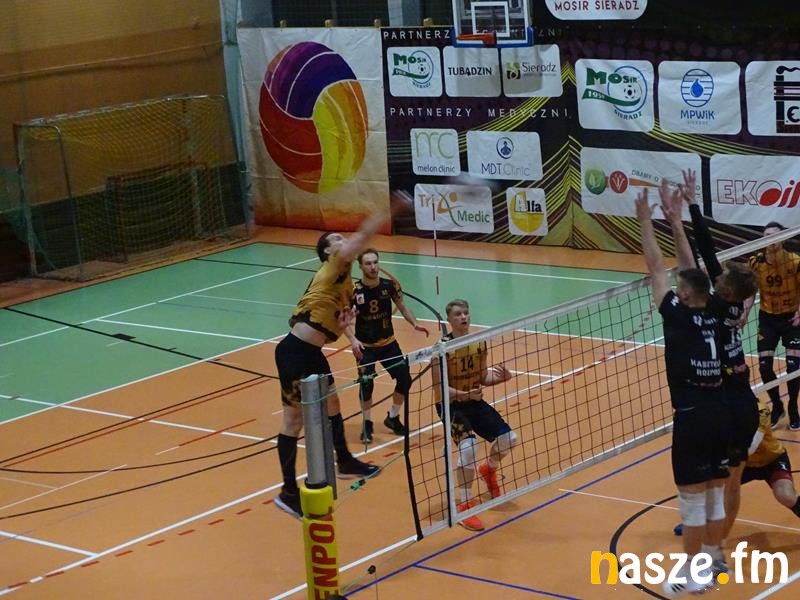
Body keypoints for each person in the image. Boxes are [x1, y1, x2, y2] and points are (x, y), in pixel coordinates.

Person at [635, 188, 730, 598]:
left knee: (692, 501)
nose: (675, 287)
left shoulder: (676, 316)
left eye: (679, 286)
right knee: (715, 495)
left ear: (685, 294)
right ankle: (710, 562)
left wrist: (645, 221)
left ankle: (691, 574)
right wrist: (676, 221)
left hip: (692, 415)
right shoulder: (717, 311)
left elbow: (656, 267)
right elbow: (692, 271)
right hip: (721, 410)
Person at [662, 169, 759, 572]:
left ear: (727, 288)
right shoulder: (729, 304)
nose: (716, 275)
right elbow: (705, 256)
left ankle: (714, 549)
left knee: (725, 483)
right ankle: (714, 547)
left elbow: (696, 260)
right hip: (740, 400)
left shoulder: (717, 306)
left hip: (727, 404)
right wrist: (692, 207)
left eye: (722, 276)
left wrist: (677, 219)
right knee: (724, 482)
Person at [273, 212, 387, 520]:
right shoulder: (336, 262)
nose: (342, 240)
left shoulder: (339, 280)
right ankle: (287, 492)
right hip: (295, 352)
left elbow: (317, 319)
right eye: (335, 239)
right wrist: (387, 212)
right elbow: (360, 239)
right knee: (293, 422)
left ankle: (345, 460)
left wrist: (346, 329)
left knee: (333, 404)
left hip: (311, 352)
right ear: (327, 251)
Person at [431, 299, 518, 532]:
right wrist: (464, 394)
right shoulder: (441, 349)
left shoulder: (478, 342)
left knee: (509, 439)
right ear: (449, 320)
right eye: (458, 314)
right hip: (450, 406)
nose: (463, 317)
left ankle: (488, 469)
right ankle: (465, 506)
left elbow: (482, 378)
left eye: (466, 313)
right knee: (469, 448)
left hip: (473, 401)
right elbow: (439, 388)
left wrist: (502, 378)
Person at [674, 401, 800, 538]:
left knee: (785, 495)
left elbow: (750, 448)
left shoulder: (759, 409)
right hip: (743, 464)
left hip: (771, 460)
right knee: (710, 487)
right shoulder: (720, 409)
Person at [346, 248, 429, 443]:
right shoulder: (354, 291)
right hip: (365, 347)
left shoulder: (389, 286)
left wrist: (415, 323)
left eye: (375, 262)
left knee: (405, 380)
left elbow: (402, 306)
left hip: (388, 344)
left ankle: (393, 417)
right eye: (368, 263)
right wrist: (353, 339)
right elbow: (343, 319)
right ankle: (367, 424)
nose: (373, 267)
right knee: (366, 384)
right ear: (360, 267)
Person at [743, 222, 800, 430]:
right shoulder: (755, 263)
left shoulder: (795, 261)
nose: (770, 240)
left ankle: (793, 407)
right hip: (768, 318)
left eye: (774, 236)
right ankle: (777, 405)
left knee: (793, 367)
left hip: (792, 318)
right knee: (764, 367)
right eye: (766, 235)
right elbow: (751, 291)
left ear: (783, 239)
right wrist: (744, 314)